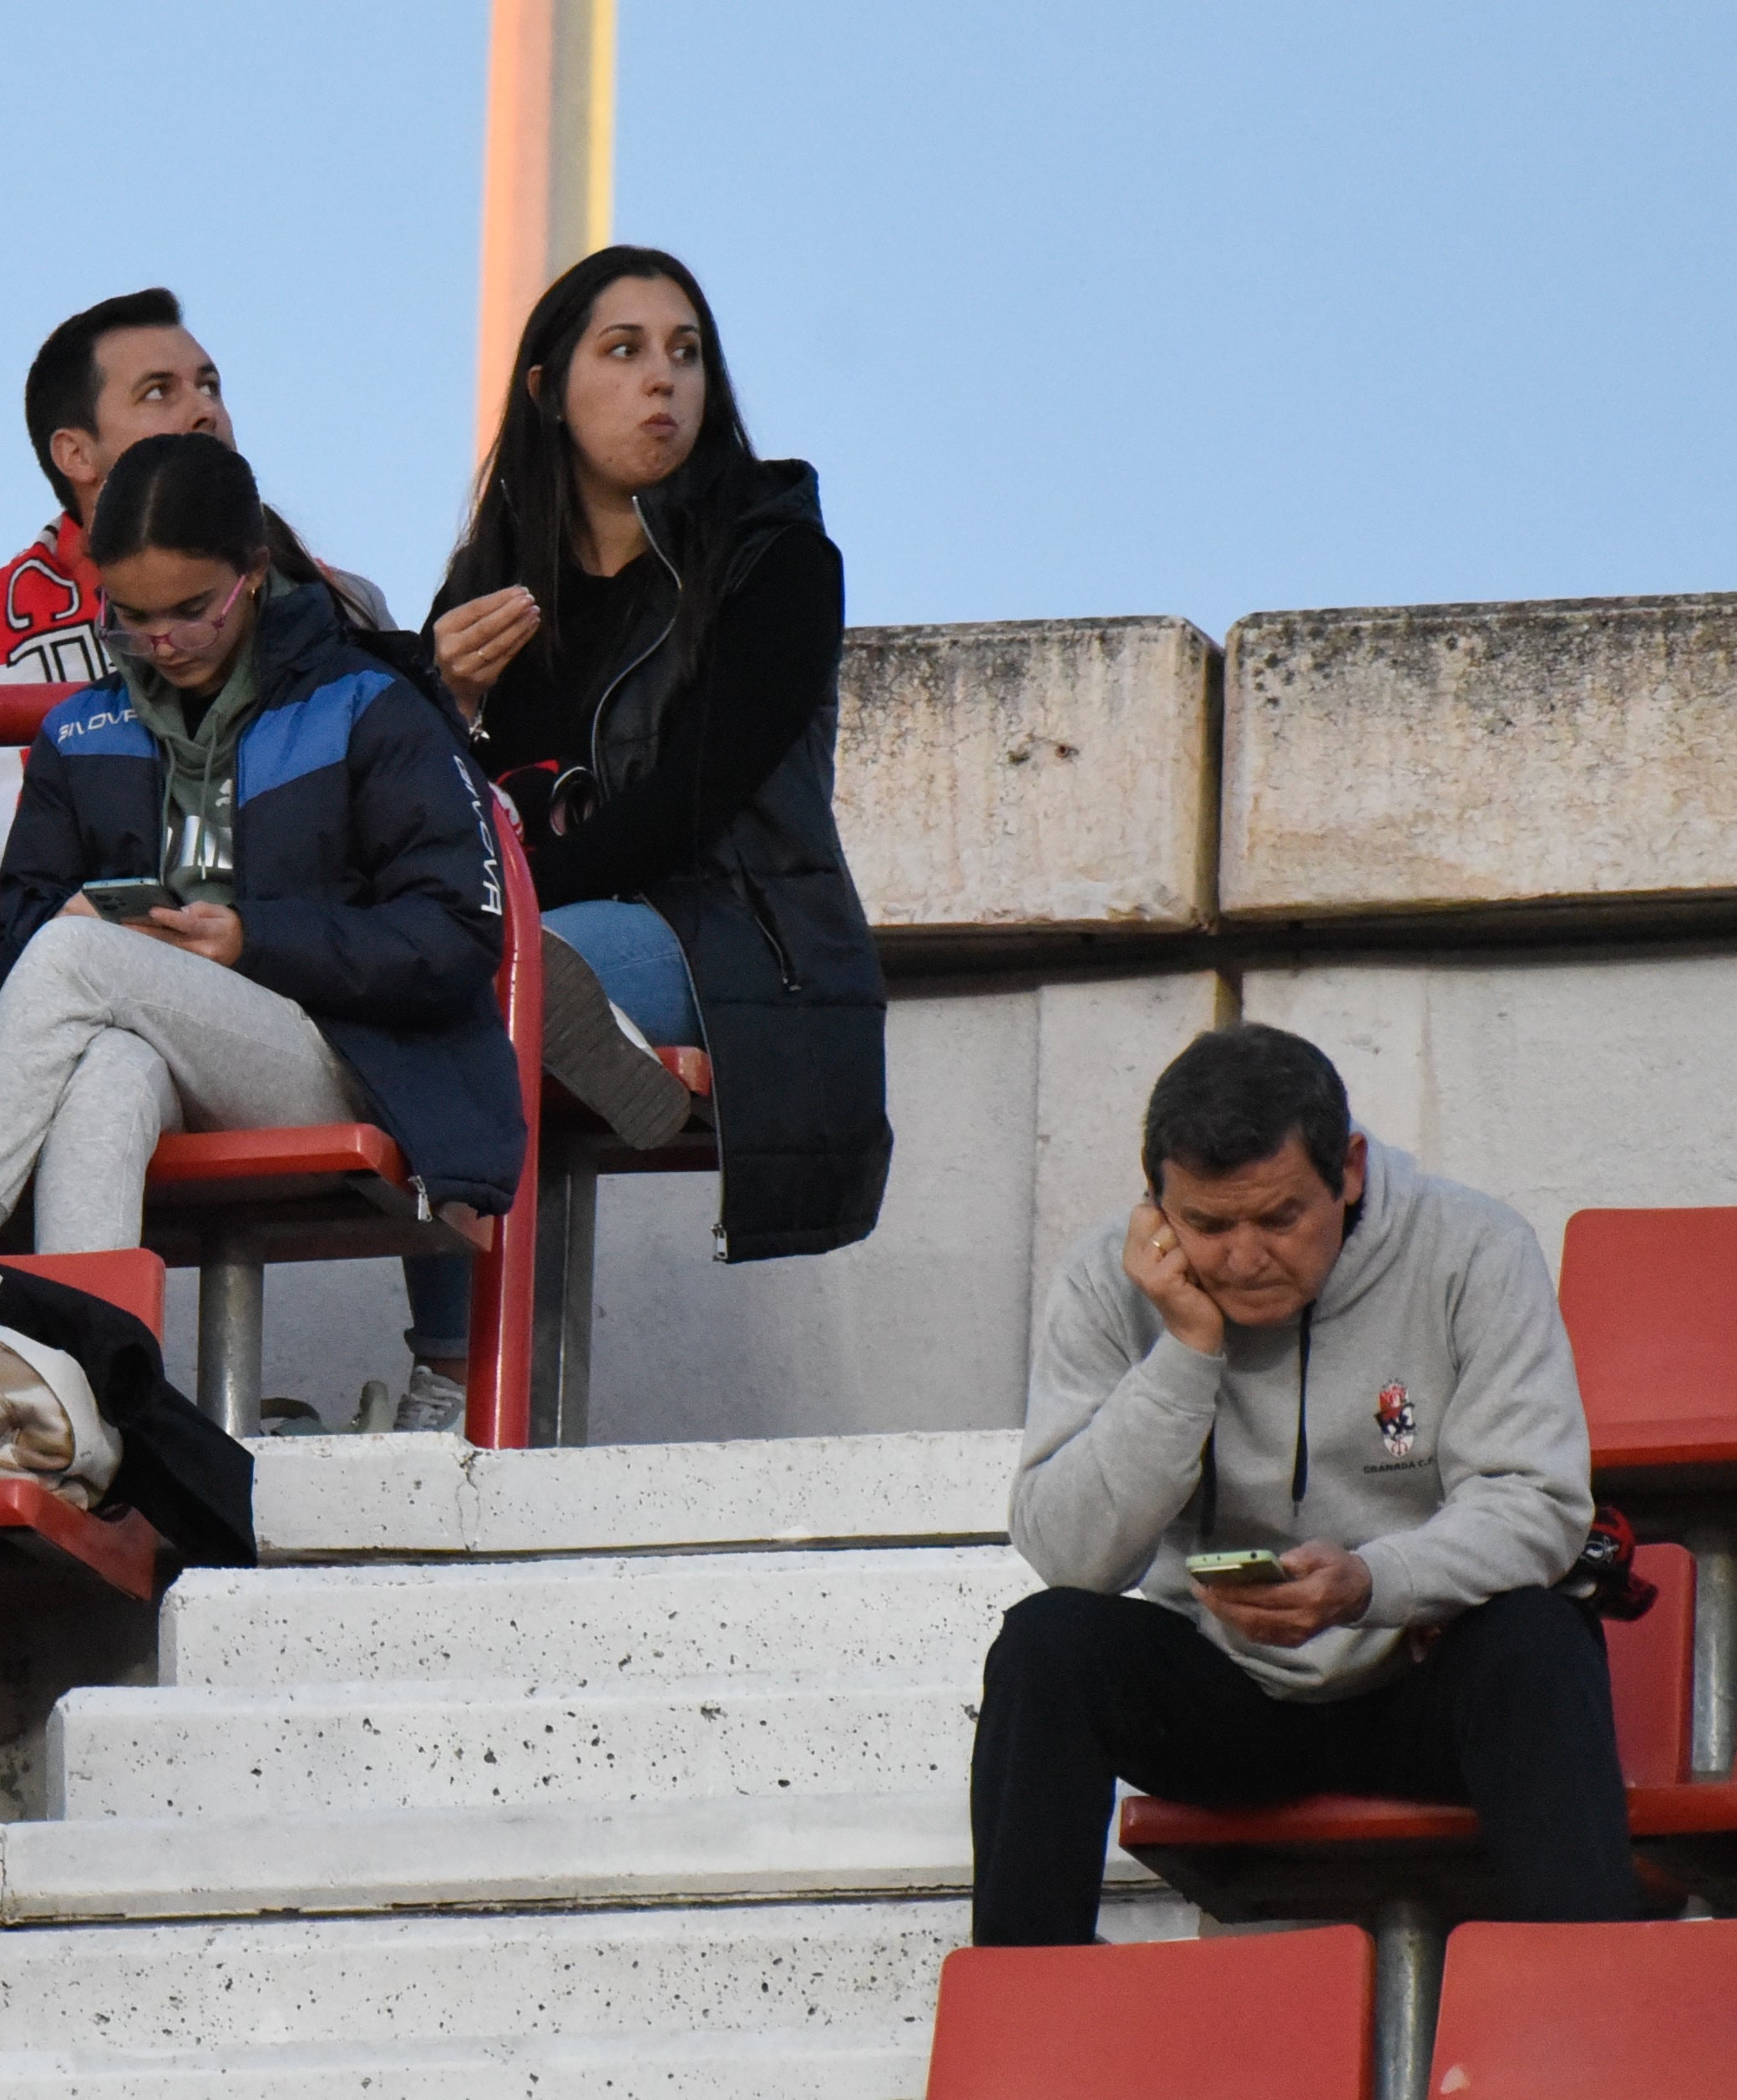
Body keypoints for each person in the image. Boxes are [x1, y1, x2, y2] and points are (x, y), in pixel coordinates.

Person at [970, 1022, 1629, 1945]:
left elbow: (1535, 1502)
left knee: (1540, 1640)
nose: (1242, 1257)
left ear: (1348, 1169)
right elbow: (1066, 1552)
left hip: (1416, 1674)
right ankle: (1022, 2031)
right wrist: (1184, 1351)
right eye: (1205, 1224)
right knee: (1043, 1646)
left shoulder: (1472, 1247)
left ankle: (1590, 2023)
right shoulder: (1105, 1282)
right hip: (1218, 1694)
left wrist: (1371, 1581)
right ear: (1156, 1205)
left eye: (1279, 1218)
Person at [398, 244, 894, 1428]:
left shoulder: (772, 560)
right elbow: (411, 803)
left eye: (685, 354)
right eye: (621, 352)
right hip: (533, 922)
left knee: (482, 973)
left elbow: (685, 806)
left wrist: (503, 912)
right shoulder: (490, 582)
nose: (660, 381)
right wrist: (438, 695)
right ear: (543, 390)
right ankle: (444, 1362)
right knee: (434, 973)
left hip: (720, 930)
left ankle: (454, 1372)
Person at [0, 434, 523, 1326]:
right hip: (160, 1041)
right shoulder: (79, 732)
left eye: (194, 609)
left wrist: (248, 937)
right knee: (107, 1069)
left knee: (75, 952)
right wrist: (66, 916)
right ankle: (94, 1394)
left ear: (256, 574)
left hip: (358, 1060)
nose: (161, 640)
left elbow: (454, 934)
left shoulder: (368, 703)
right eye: (130, 616)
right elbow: (8, 960)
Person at [0, 287, 391, 870]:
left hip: (271, 933)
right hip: (28, 934)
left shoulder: (341, 599)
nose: (205, 409)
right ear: (76, 454)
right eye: (159, 391)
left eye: (209, 385)